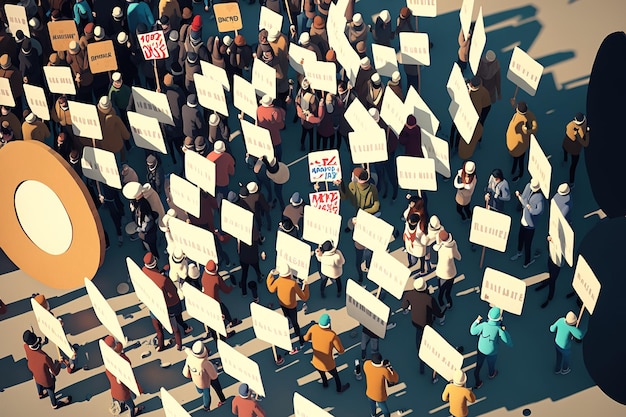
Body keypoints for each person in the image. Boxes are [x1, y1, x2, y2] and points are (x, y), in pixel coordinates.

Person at [402, 278, 445, 379]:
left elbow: (404, 305)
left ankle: (421, 358)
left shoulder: (409, 294)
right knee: (428, 342)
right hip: (427, 323)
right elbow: (438, 313)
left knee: (419, 337)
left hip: (416, 322)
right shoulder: (429, 299)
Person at [266, 262, 310, 354]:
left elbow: (271, 289)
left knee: (286, 317)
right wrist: (305, 285)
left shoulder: (278, 281)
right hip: (292, 306)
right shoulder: (293, 283)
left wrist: (270, 274)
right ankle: (297, 333)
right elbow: (304, 297)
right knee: (295, 322)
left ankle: (288, 330)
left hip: (282, 304)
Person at [22, 330, 72, 409]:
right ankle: (54, 404)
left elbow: (34, 350)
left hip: (35, 374)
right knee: (50, 388)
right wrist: (59, 362)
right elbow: (55, 372)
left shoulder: (25, 346)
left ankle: (40, 394)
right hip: (46, 380)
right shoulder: (45, 358)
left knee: (38, 381)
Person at [303, 313, 350, 393]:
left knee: (322, 373)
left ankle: (325, 383)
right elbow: (340, 350)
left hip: (316, 361)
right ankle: (339, 389)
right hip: (328, 364)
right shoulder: (332, 335)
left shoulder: (313, 328)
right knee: (336, 376)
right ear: (329, 324)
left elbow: (305, 338)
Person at [470, 307, 513, 389]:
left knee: (478, 365)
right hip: (492, 352)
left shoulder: (483, 325)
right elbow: (507, 341)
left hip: (481, 349)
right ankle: (491, 374)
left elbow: (472, 331)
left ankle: (477, 380)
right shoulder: (499, 329)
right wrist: (504, 330)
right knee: (491, 364)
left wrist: (477, 320)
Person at [103, 335, 143, 416]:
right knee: (131, 406)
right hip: (123, 393)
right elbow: (130, 374)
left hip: (114, 391)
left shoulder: (108, 363)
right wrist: (138, 389)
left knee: (117, 401)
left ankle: (121, 408)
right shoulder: (123, 361)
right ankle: (133, 414)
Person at [510, 178, 545, 268]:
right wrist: (520, 197)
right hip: (524, 219)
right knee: (520, 238)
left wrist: (530, 209)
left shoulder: (540, 198)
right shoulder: (528, 187)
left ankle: (527, 261)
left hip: (530, 224)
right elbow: (524, 201)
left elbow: (540, 211)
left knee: (527, 244)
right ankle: (519, 253)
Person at [182, 341, 226, 410]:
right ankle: (210, 405)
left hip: (196, 379)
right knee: (208, 393)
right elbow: (214, 376)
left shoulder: (189, 357)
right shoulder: (205, 363)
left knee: (201, 390)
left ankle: (204, 400)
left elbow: (186, 372)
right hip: (205, 381)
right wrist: (214, 367)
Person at [506, 101, 538, 182]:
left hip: (513, 145)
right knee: (520, 160)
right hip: (521, 146)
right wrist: (529, 131)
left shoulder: (516, 117)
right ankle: (520, 173)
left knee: (516, 159)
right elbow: (534, 128)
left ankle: (514, 171)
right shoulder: (529, 116)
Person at [364, 353, 399, 417]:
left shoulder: (366, 364)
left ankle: (373, 415)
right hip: (379, 396)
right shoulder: (383, 370)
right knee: (386, 411)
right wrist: (390, 367)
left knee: (372, 405)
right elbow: (394, 379)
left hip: (369, 392)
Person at [434, 230, 462, 311]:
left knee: (441, 290)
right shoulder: (451, 249)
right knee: (448, 292)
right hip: (450, 274)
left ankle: (440, 301)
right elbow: (459, 257)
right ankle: (449, 303)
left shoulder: (439, 246)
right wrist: (455, 246)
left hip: (440, 271)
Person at [562, 112, 590, 187]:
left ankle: (565, 160)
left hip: (565, 144)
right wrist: (587, 134)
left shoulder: (569, 125)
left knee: (565, 152)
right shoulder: (580, 131)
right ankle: (571, 182)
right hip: (575, 151)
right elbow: (585, 144)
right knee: (573, 166)